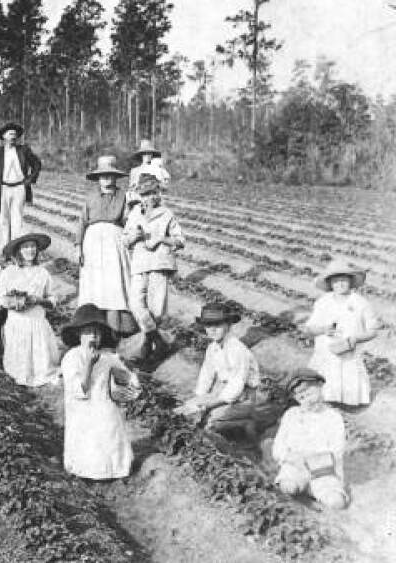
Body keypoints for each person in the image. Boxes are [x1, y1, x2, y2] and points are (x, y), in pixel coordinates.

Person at [58, 303, 141, 480]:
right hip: (81, 412)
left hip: (104, 407)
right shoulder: (72, 358)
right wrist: (88, 364)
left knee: (109, 426)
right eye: (88, 332)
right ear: (78, 334)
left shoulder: (107, 357)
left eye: (97, 332)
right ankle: (87, 470)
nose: (93, 337)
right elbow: (79, 392)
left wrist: (126, 381)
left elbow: (133, 382)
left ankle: (113, 470)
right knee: (89, 442)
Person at [175, 303, 275, 437]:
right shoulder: (212, 347)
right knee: (189, 408)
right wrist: (200, 397)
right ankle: (223, 416)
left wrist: (209, 405)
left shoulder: (237, 350)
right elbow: (207, 374)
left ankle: (245, 423)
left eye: (218, 325)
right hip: (221, 391)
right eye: (208, 325)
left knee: (210, 421)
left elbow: (237, 384)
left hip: (243, 397)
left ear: (228, 325)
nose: (212, 330)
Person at [122, 174, 184, 364]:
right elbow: (124, 240)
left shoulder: (167, 214)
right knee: (135, 304)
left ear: (158, 194)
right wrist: (135, 237)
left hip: (159, 263)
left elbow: (180, 240)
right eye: (145, 194)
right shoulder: (134, 214)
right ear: (140, 195)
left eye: (153, 193)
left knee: (156, 309)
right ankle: (157, 340)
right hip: (140, 263)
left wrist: (161, 239)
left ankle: (149, 346)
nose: (149, 197)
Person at [77, 155, 139, 337]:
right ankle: (94, 326)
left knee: (115, 284)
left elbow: (129, 221)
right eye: (103, 176)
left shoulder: (124, 197)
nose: (106, 180)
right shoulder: (90, 198)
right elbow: (82, 222)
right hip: (92, 243)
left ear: (115, 177)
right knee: (94, 286)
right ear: (98, 178)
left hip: (115, 243)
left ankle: (118, 327)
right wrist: (77, 246)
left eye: (110, 176)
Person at [303, 260, 380, 406]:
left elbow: (373, 330)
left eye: (343, 280)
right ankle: (326, 403)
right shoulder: (323, 302)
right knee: (324, 379)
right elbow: (309, 328)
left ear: (350, 281)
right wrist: (324, 329)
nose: (340, 284)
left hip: (349, 352)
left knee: (348, 374)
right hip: (325, 352)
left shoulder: (361, 303)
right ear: (330, 283)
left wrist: (356, 338)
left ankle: (344, 403)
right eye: (335, 281)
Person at [272, 369, 349, 509]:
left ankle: (317, 491)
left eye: (309, 393)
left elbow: (337, 451)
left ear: (320, 387)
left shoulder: (332, 417)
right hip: (296, 466)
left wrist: (313, 460)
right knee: (288, 487)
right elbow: (278, 447)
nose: (307, 399)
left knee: (336, 502)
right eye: (301, 397)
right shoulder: (291, 415)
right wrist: (290, 457)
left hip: (322, 470)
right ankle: (302, 490)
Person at [0, 233, 60, 387]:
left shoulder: (43, 273)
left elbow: (53, 300)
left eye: (33, 246)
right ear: (19, 251)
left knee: (43, 369)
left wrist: (39, 300)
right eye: (25, 247)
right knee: (18, 371)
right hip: (17, 322)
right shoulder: (9, 272)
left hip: (36, 321)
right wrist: (13, 302)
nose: (30, 250)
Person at [0, 122, 41, 257]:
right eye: (10, 134)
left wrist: (30, 179)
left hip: (19, 188)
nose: (13, 137)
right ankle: (4, 252)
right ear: (3, 137)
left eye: (15, 135)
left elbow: (37, 164)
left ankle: (16, 252)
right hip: (2, 189)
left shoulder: (23, 150)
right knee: (3, 221)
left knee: (17, 221)